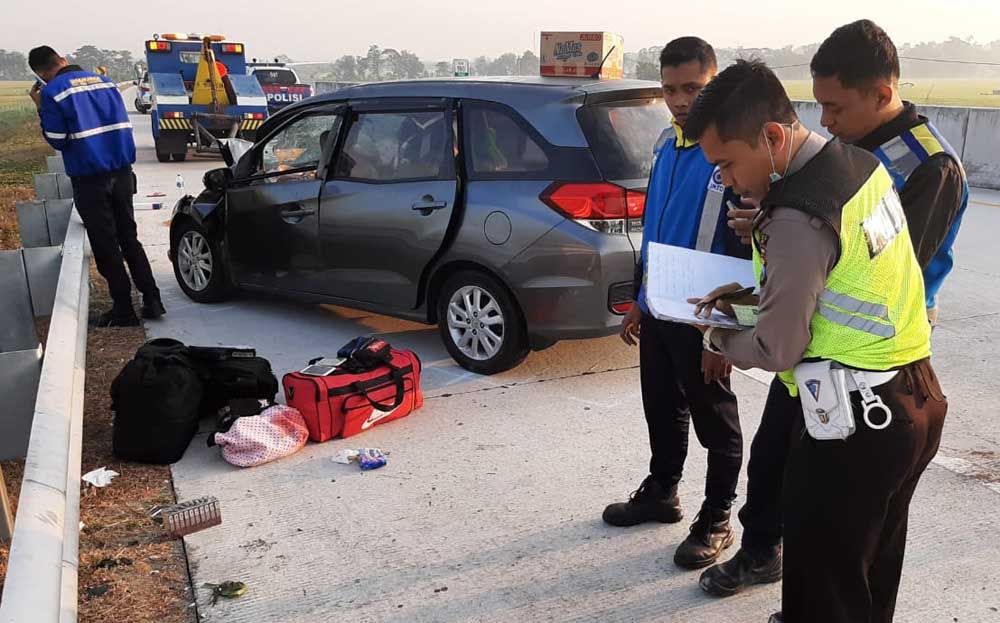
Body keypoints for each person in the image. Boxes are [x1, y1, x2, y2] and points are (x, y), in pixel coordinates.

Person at [701, 20, 967, 601]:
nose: (723, 179)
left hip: (855, 416)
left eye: (725, 163)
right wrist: (752, 295)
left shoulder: (804, 210)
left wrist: (718, 337)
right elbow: (847, 277)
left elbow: (776, 349)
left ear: (771, 137)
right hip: (908, 392)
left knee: (823, 586)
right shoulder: (858, 167)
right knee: (867, 576)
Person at [603, 37, 746, 571]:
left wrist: (724, 333)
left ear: (715, 84)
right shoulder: (668, 142)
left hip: (707, 317)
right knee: (662, 407)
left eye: (693, 88)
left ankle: (717, 516)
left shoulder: (735, 152)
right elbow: (658, 230)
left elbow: (750, 253)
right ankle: (662, 490)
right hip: (660, 309)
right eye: (670, 89)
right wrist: (640, 300)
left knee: (717, 423)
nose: (681, 100)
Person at [29, 46, 164, 326]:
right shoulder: (106, 82)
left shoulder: (54, 92)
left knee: (106, 245)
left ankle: (124, 310)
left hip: (91, 179)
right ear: (63, 60)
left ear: (41, 74)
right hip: (123, 173)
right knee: (129, 238)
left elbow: (57, 139)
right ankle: (152, 300)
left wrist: (41, 107)